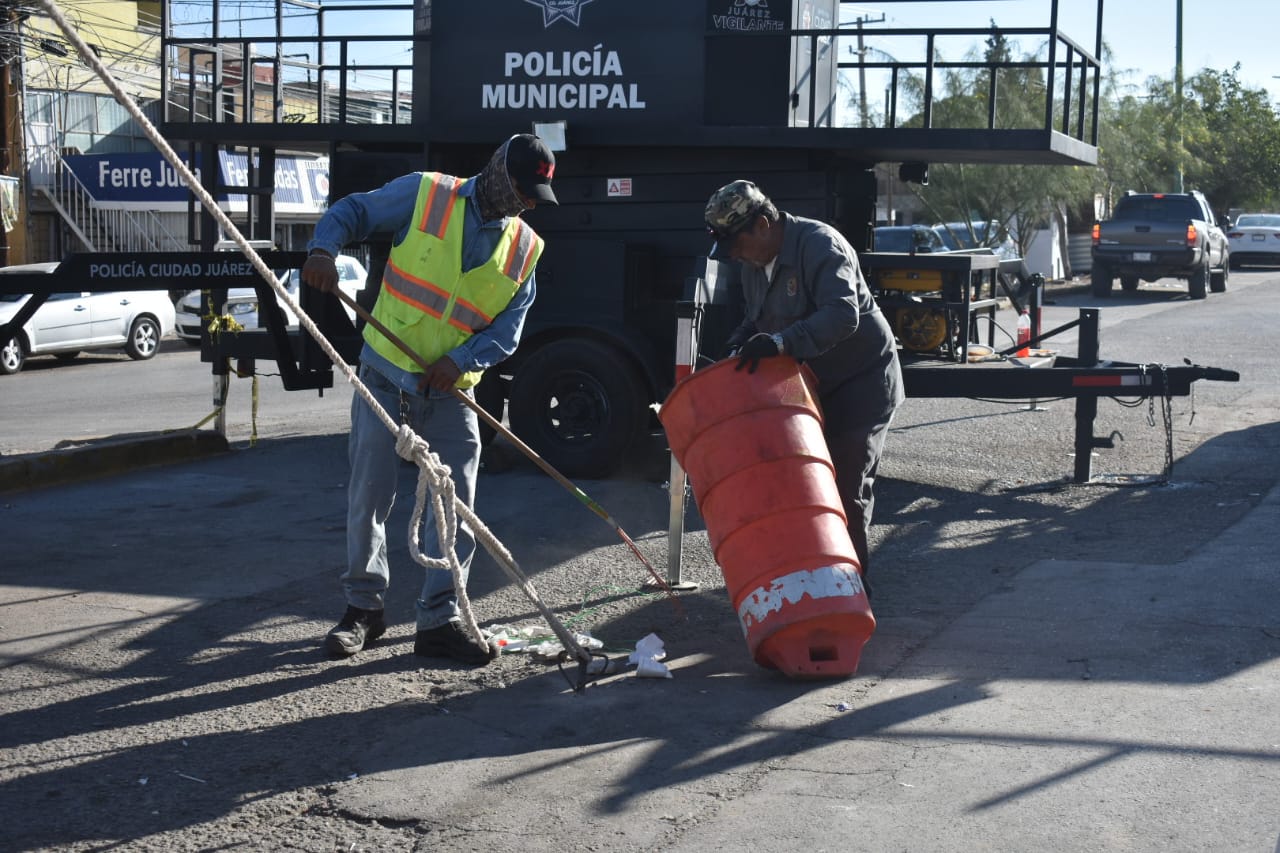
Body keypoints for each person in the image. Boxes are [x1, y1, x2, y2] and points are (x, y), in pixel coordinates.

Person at [303, 133, 557, 664]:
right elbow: (354, 211)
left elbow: (508, 330)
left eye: (534, 197)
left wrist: (461, 362)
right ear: (495, 171)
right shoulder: (426, 194)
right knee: (368, 498)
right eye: (521, 190)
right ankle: (363, 612)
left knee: (455, 507)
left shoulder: (526, 249)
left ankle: (438, 620)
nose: (526, 203)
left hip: (450, 395)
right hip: (383, 377)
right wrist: (323, 250)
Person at [704, 179, 904, 594]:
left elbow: (841, 315)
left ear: (762, 224)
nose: (735, 255)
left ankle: (848, 594)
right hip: (814, 384)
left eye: (737, 243)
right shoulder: (753, 265)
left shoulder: (820, 244)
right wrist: (737, 347)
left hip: (861, 381)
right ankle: (809, 583)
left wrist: (780, 343)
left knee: (845, 486)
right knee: (800, 485)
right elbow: (757, 319)